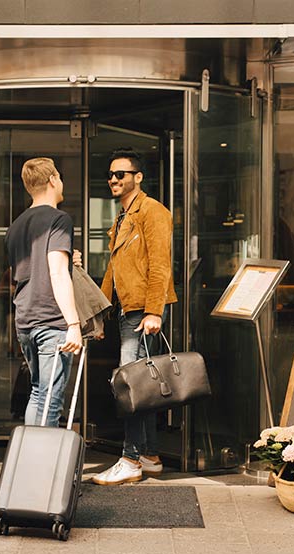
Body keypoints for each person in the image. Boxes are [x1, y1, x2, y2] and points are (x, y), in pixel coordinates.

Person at [91, 148, 178, 485]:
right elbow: (114, 269)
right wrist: (99, 314)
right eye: (111, 175)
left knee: (130, 385)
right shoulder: (123, 216)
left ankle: (130, 460)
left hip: (145, 311)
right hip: (131, 311)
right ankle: (150, 455)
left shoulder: (152, 211)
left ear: (137, 178)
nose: (114, 180)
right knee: (142, 386)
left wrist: (155, 311)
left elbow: (160, 264)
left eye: (121, 174)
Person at [5, 157, 82, 428]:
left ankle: (31, 459)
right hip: (51, 320)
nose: (61, 183)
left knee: (38, 393)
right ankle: (42, 467)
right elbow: (56, 273)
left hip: (25, 319)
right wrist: (74, 324)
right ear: (52, 180)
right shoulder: (58, 220)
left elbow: (28, 270)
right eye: (59, 177)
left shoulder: (16, 226)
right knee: (50, 399)